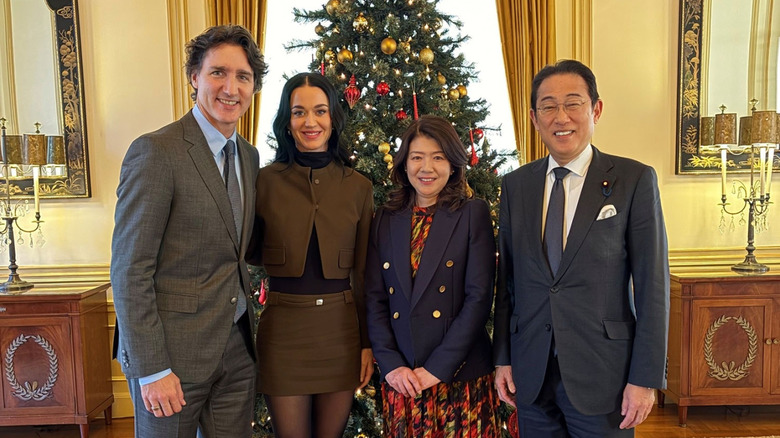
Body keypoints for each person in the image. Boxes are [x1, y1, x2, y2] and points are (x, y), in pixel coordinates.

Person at [493, 59, 670, 437]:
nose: (561, 117)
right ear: (534, 117)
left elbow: (653, 287)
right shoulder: (516, 186)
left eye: (573, 103)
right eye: (548, 106)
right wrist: (503, 358)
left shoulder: (633, 180)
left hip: (604, 376)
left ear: (596, 110)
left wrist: (645, 378)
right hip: (531, 374)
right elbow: (507, 283)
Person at [110, 25, 267, 438]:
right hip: (171, 360)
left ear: (253, 87)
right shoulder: (156, 151)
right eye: (218, 73)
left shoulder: (248, 157)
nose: (230, 88)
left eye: (243, 76)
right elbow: (130, 269)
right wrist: (152, 369)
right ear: (195, 77)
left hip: (236, 353)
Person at [247, 72, 374, 438]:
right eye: (299, 112)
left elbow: (364, 274)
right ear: (287, 122)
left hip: (341, 333)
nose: (310, 121)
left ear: (333, 118)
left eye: (320, 111)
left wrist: (366, 343)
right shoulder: (264, 181)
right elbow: (249, 252)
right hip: (283, 333)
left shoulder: (359, 187)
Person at [365, 115, 500, 437]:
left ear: (452, 164)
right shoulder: (385, 218)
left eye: (438, 157)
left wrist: (437, 369)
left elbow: (478, 299)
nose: (427, 168)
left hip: (460, 377)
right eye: (417, 157)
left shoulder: (472, 213)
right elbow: (375, 298)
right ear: (404, 164)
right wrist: (391, 365)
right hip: (404, 381)